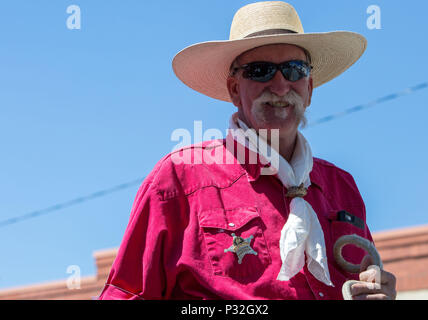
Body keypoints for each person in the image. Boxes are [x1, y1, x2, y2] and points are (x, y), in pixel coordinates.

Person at [98, 1, 396, 300]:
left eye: (294, 70)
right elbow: (125, 294)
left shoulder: (341, 187)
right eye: (260, 71)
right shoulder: (180, 177)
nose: (280, 86)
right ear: (234, 89)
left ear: (310, 88)